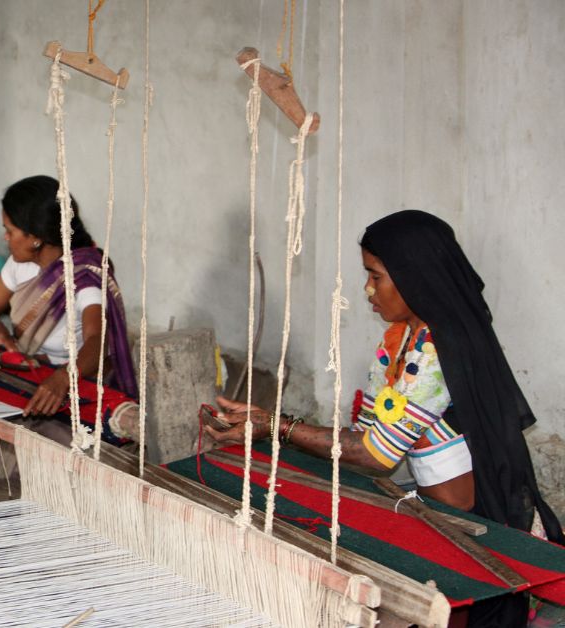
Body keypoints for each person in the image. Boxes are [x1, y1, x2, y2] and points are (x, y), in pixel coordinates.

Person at [206, 210, 562, 625]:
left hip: (475, 522)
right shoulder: (404, 339)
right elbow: (364, 435)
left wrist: (276, 426)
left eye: (376, 277)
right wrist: (272, 425)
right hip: (436, 508)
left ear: (415, 277)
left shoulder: (437, 351)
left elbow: (377, 455)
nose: (367, 290)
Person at [0, 175, 137, 417]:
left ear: (36, 238)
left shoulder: (84, 278)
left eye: (10, 231)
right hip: (37, 368)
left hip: (81, 380)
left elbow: (97, 341)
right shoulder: (20, 264)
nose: (5, 237)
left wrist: (64, 377)